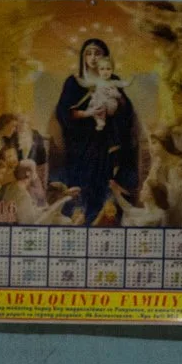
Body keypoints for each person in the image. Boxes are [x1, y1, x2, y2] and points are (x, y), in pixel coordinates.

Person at [53, 38, 142, 226]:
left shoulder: (112, 79)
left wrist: (116, 105)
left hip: (107, 139)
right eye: (89, 53)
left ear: (105, 57)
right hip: (80, 141)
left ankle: (105, 214)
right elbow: (64, 112)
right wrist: (87, 113)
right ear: (83, 57)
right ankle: (81, 215)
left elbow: (127, 111)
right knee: (82, 179)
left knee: (107, 176)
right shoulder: (74, 82)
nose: (93, 58)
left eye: (97, 53)